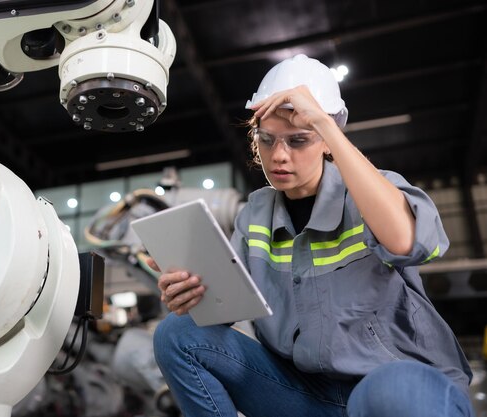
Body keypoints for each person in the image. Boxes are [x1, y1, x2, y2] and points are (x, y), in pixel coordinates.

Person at [148, 54, 475, 417]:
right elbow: (225, 314)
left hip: (403, 390)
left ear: (327, 139)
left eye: (299, 140)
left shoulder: (374, 191)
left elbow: (405, 241)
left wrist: (323, 121)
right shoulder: (254, 217)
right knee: (178, 334)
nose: (280, 156)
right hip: (309, 397)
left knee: (391, 389)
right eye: (267, 139)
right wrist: (190, 294)